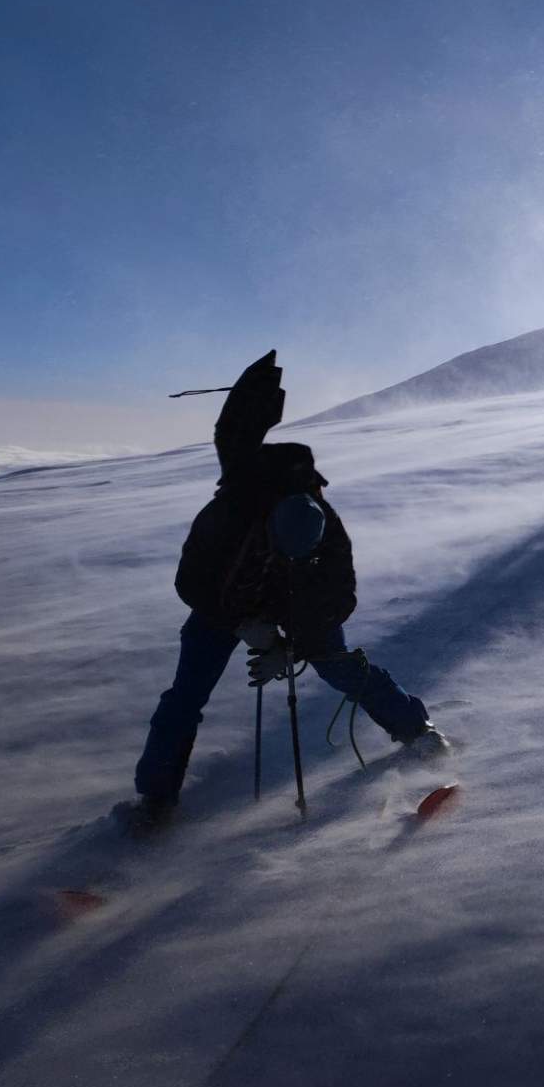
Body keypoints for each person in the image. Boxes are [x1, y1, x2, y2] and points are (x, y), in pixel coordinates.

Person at [129, 352, 448, 833]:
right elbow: (191, 581)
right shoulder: (229, 515)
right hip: (223, 608)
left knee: (341, 668)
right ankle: (156, 801)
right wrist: (245, 626)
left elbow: (338, 598)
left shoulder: (326, 529)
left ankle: (415, 730)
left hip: (298, 607)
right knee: (185, 696)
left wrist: (292, 646)